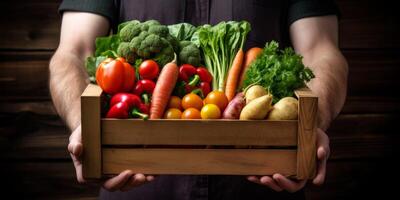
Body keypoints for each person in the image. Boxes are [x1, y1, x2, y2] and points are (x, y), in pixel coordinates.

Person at [49, 0, 348, 199]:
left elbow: (322, 52)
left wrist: (313, 125)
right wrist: (83, 125)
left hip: (262, 184)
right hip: (137, 185)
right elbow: (72, 52)